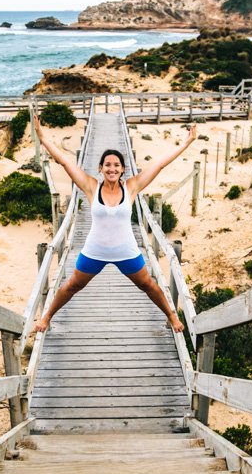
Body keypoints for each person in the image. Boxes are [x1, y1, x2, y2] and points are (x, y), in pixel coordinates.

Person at [33, 115, 198, 333]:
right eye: (108, 165)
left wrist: (186, 143)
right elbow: (64, 162)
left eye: (116, 165)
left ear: (123, 169)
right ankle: (46, 318)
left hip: (126, 251)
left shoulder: (132, 186)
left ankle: (171, 316)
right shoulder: (91, 186)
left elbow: (159, 165)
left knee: (147, 284)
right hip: (95, 250)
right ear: (100, 168)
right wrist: (42, 138)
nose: (112, 169)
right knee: (73, 285)